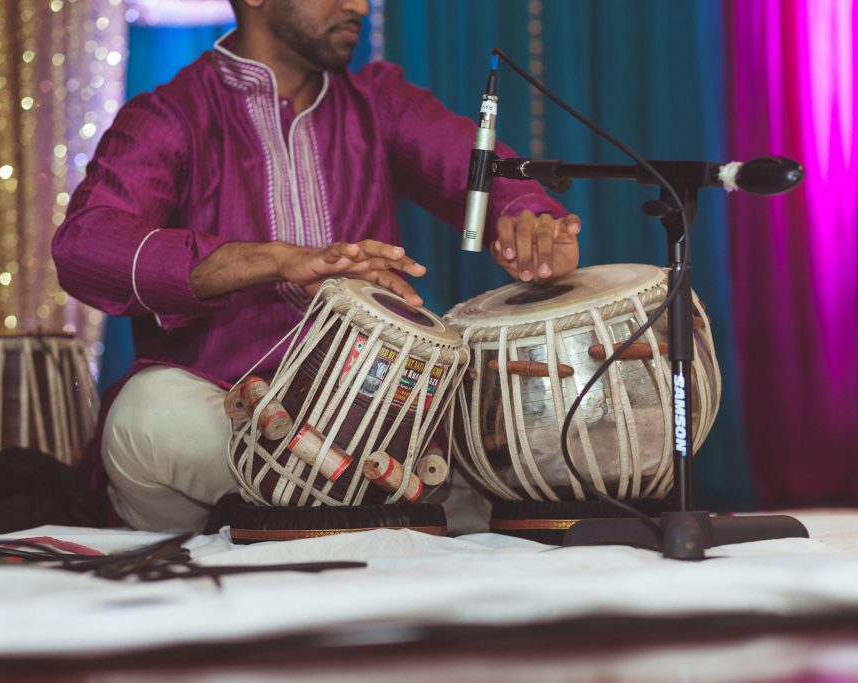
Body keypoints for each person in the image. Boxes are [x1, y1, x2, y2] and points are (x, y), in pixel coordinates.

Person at [52, 0, 582, 532]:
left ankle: (337, 512)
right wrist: (273, 260)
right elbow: (87, 245)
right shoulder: (170, 115)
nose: (358, 6)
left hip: (381, 422)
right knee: (148, 415)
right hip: (228, 430)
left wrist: (526, 217)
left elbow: (473, 166)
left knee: (527, 423)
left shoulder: (378, 103)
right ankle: (384, 513)